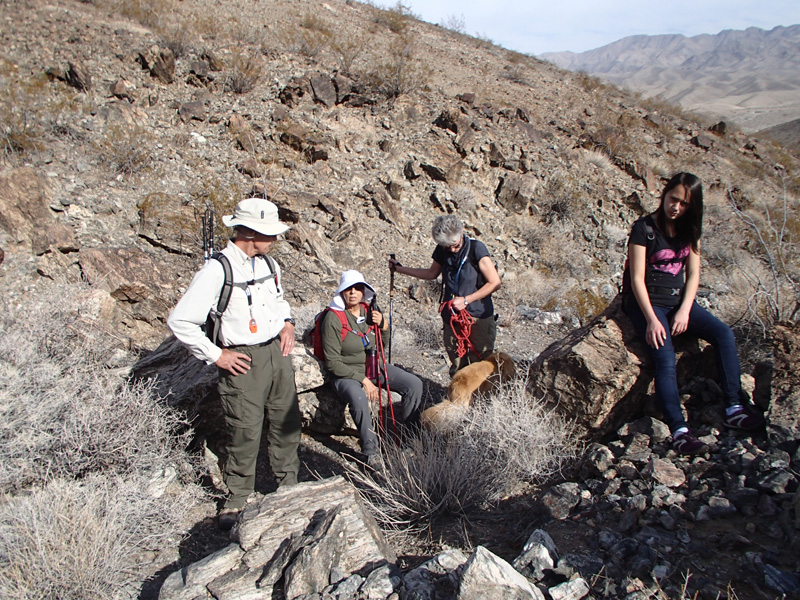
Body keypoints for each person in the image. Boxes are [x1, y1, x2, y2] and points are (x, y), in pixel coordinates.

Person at [168, 198, 301, 528]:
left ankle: (290, 487)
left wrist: (287, 323)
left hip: (276, 354)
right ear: (251, 233)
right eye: (269, 233)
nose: (274, 239)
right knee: (245, 429)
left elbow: (279, 301)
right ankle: (238, 496)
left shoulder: (269, 264)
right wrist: (218, 355)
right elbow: (181, 321)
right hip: (242, 360)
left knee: (286, 422)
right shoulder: (218, 270)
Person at [622, 172, 763, 455]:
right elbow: (636, 278)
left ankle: (734, 406)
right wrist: (651, 318)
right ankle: (679, 430)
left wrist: (685, 310)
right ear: (664, 194)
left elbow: (694, 274)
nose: (676, 207)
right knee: (664, 356)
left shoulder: (690, 231)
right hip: (646, 303)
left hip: (677, 302)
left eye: (684, 203)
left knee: (723, 334)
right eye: (673, 199)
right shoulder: (644, 229)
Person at [321, 270, 422, 466]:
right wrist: (364, 380)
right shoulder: (333, 319)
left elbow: (381, 345)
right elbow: (332, 362)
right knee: (358, 397)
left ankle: (411, 441)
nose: (353, 292)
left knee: (414, 384)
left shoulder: (370, 312)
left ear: (363, 291)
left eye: (357, 288)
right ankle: (370, 451)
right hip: (345, 372)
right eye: (348, 289)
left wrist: (384, 326)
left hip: (372, 364)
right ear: (342, 292)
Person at [389, 215, 501, 375]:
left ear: (462, 234)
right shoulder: (443, 250)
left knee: (482, 366)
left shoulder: (477, 249)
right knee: (457, 366)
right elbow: (431, 273)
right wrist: (400, 269)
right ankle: (458, 398)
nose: (452, 250)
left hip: (478, 318)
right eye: (447, 247)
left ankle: (483, 399)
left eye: (455, 246)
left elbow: (495, 282)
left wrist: (467, 300)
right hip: (452, 318)